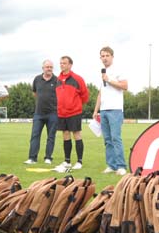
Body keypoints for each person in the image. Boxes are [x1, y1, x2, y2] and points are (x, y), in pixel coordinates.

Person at [93, 46, 128, 176]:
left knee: (115, 138)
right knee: (107, 139)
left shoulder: (118, 70)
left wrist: (109, 80)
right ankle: (111, 165)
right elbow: (100, 92)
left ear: (112, 56)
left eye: (107, 55)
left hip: (115, 109)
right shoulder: (103, 73)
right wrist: (96, 110)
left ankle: (121, 166)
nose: (105, 58)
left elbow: (125, 86)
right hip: (104, 110)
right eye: (102, 56)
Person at [54, 55, 89, 172]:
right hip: (61, 113)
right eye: (61, 63)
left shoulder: (77, 79)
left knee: (77, 134)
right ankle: (67, 161)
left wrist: (75, 105)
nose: (62, 65)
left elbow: (85, 96)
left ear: (70, 65)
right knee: (65, 135)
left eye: (64, 63)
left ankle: (79, 161)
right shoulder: (57, 79)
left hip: (74, 112)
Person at [23, 59, 58, 165]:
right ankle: (32, 158)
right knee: (35, 135)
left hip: (53, 113)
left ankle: (48, 157)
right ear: (43, 68)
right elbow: (34, 92)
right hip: (38, 113)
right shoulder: (37, 79)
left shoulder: (57, 80)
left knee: (51, 136)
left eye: (51, 67)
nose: (49, 69)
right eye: (47, 67)